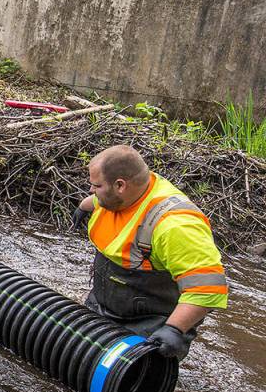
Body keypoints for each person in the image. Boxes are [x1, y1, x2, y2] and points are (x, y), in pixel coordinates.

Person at [72, 144, 227, 361]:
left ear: (120, 186)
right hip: (105, 305)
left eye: (96, 185)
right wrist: (84, 205)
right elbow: (99, 199)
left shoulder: (175, 226)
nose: (91, 191)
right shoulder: (126, 193)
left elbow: (208, 288)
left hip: (150, 323)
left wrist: (174, 329)